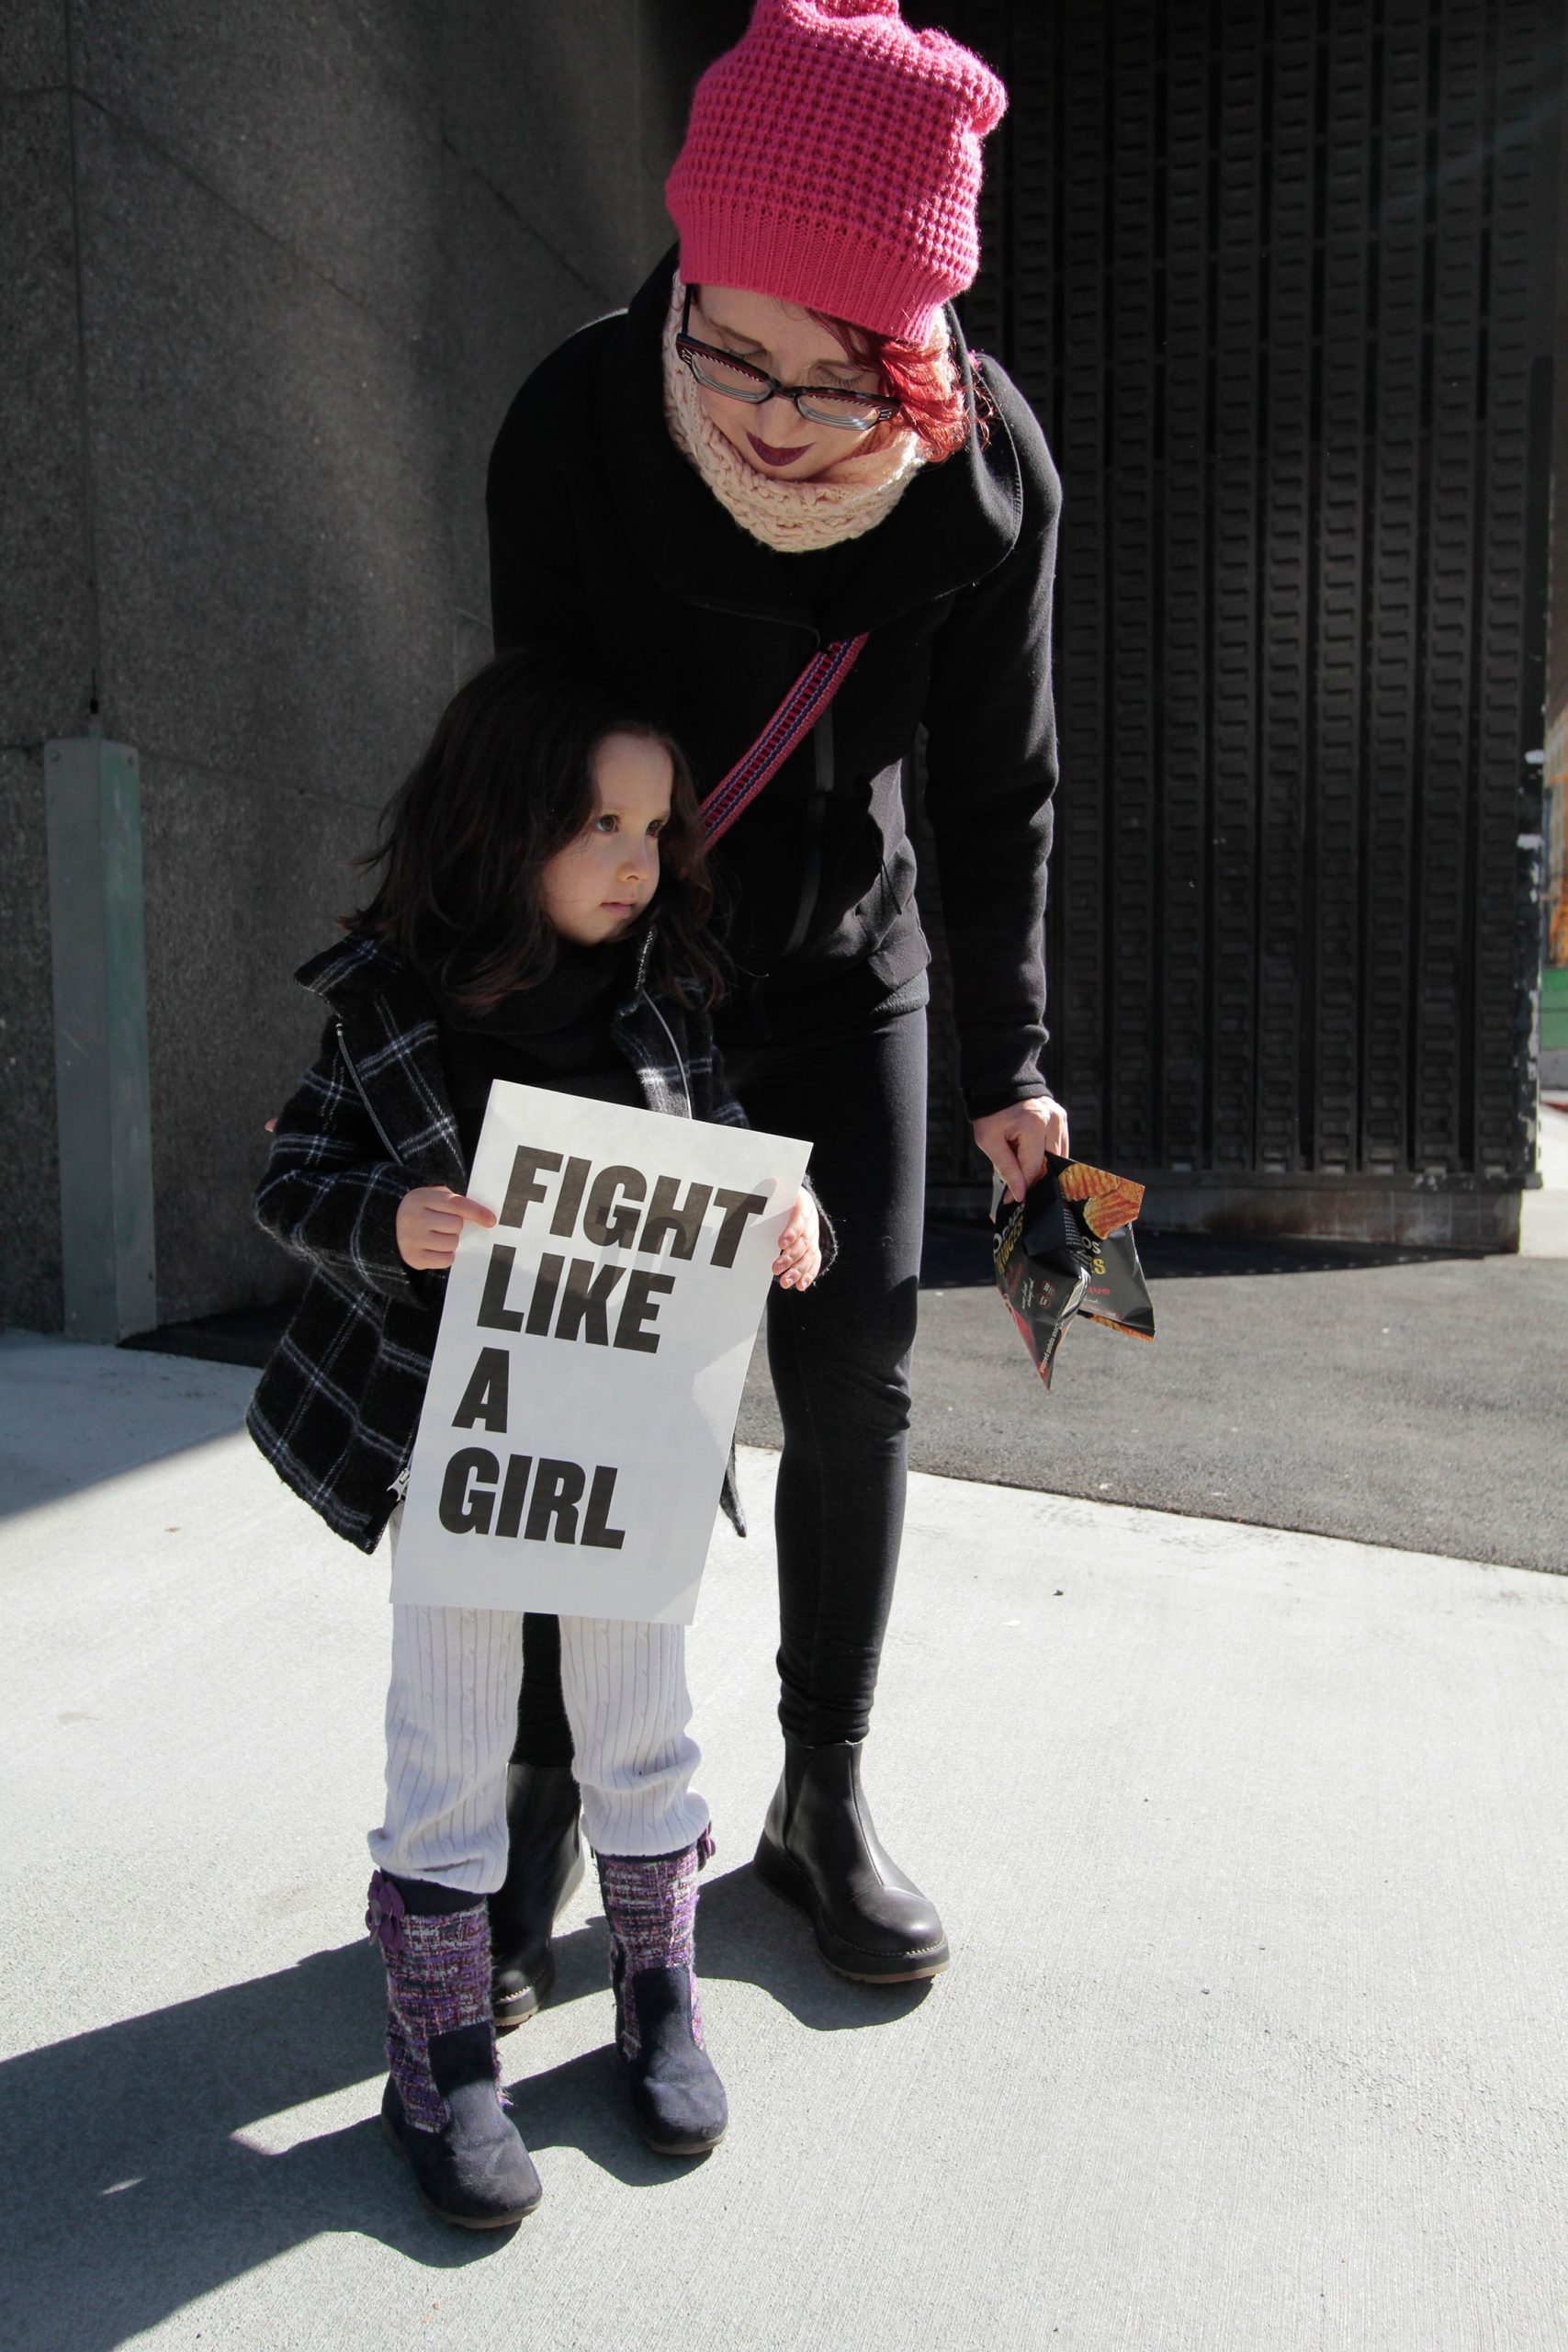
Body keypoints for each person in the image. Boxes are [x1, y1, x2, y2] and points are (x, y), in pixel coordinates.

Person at [484, 0, 1067, 1997]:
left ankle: (820, 1789)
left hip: (844, 959)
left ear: (918, 356)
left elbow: (997, 790)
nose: (767, 410)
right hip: (622, 965)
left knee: (853, 1373)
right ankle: (541, 1790)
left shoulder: (985, 483)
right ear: (682, 273)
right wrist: (548, 1029)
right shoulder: (575, 422)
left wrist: (1013, 1061)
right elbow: (528, 761)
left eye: (836, 374)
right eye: (729, 343)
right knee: (590, 1382)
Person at [245, 652, 824, 2228]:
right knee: (451, 1739)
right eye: (600, 826)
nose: (640, 861)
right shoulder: (383, 1006)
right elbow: (286, 1182)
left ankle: (656, 1994)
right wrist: (393, 1217)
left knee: (644, 1724)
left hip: (634, 1429)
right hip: (460, 1436)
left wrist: (790, 1216)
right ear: (501, 828)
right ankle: (438, 2045)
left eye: (657, 828)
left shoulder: (667, 996)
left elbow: (723, 1162)